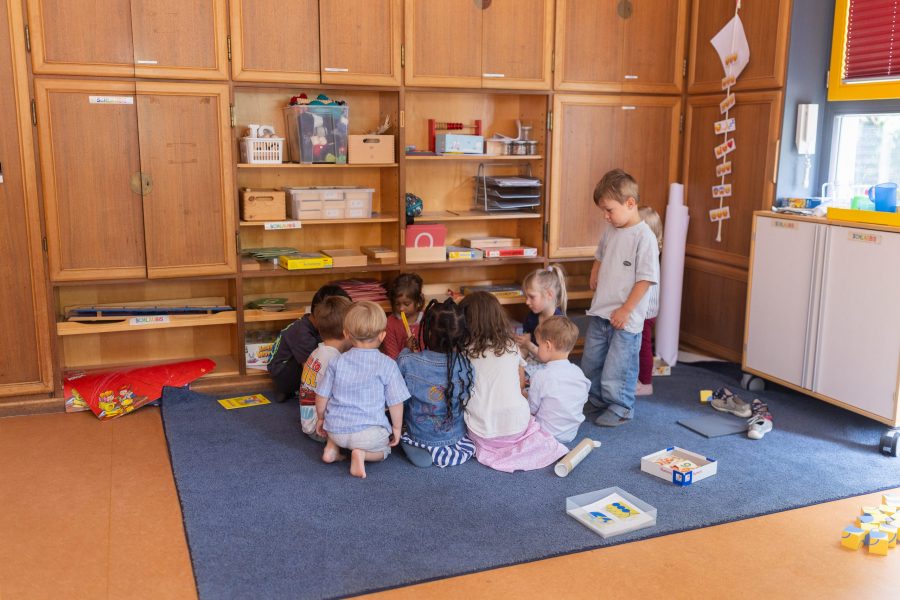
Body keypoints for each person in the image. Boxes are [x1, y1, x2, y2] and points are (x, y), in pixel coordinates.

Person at [582, 169, 660, 427]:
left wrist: (626, 310)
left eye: (609, 210)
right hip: (601, 311)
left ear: (630, 203)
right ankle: (595, 398)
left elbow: (646, 279)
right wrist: (595, 270)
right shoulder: (611, 229)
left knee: (619, 365)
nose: (605, 216)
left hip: (625, 319)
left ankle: (621, 406)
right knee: (592, 360)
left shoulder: (644, 237)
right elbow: (601, 254)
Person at [459, 292, 567, 473]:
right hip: (517, 426)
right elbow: (521, 383)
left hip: (483, 431)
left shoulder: (464, 351)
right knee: (525, 413)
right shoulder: (510, 345)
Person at [315, 301, 410, 478]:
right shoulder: (388, 365)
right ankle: (361, 454)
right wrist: (396, 429)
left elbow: (322, 396)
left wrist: (321, 418)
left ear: (346, 334)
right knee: (384, 451)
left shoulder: (337, 361)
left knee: (337, 410)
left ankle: (332, 448)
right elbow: (396, 402)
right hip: (368, 435)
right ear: (382, 336)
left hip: (335, 429)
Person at [396, 299, 476, 468]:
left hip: (419, 434)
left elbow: (398, 400)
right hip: (454, 437)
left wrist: (405, 349)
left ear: (428, 332)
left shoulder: (407, 361)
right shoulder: (465, 365)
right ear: (461, 336)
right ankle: (441, 451)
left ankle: (415, 444)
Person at [267, 284, 351, 403]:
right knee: (320, 361)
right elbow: (310, 368)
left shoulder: (318, 325)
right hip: (283, 372)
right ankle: (288, 389)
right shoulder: (301, 332)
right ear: (320, 314)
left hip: (297, 364)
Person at [527, 316, 590, 443]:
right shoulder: (579, 373)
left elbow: (531, 409)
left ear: (548, 345)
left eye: (539, 345)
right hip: (570, 434)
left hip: (544, 434)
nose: (537, 349)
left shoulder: (541, 376)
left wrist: (524, 395)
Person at [298, 296, 352, 442]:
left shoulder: (317, 352)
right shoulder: (334, 360)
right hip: (320, 428)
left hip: (308, 422)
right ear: (347, 331)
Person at [636, 206, 663, 396]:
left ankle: (646, 383)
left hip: (645, 311)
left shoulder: (648, 253)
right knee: (639, 346)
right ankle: (641, 376)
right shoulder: (650, 251)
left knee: (643, 346)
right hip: (644, 309)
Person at [515, 264, 568, 361]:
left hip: (550, 366)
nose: (527, 302)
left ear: (549, 294)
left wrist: (528, 345)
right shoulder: (531, 318)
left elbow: (549, 358)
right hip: (533, 361)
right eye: (526, 297)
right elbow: (525, 348)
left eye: (532, 297)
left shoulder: (559, 323)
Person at [381, 273, 426, 359]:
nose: (401, 308)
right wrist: (406, 349)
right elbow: (392, 358)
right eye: (397, 304)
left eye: (407, 304)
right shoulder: (390, 324)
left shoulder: (428, 319)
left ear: (418, 301)